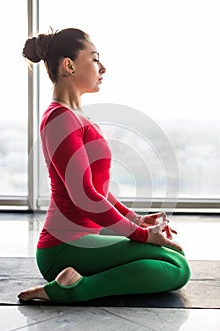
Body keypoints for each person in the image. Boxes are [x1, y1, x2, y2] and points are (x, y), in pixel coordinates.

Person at [18, 28, 191, 303]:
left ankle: (76, 281)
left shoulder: (75, 117)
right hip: (63, 247)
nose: (103, 67)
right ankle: (73, 289)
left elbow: (96, 189)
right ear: (69, 65)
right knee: (177, 268)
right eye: (95, 59)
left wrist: (136, 220)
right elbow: (84, 196)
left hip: (86, 236)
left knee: (174, 257)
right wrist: (142, 236)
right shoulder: (59, 119)